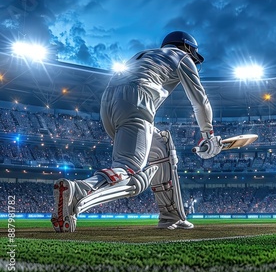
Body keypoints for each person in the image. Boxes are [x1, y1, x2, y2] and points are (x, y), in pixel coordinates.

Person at [51, 31, 223, 233]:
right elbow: (199, 100)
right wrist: (208, 134)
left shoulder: (146, 54)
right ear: (186, 47)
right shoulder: (181, 56)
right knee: (131, 173)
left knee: (162, 146)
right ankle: (78, 191)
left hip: (109, 103)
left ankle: (171, 216)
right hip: (137, 100)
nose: (193, 59)